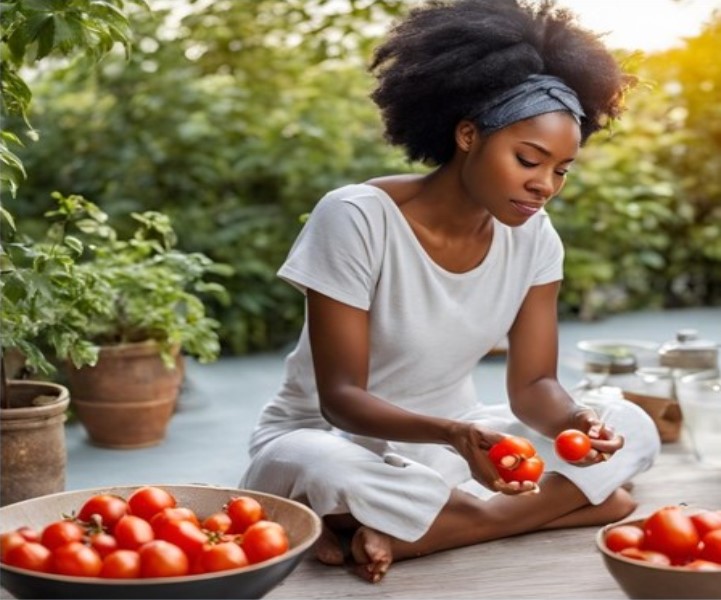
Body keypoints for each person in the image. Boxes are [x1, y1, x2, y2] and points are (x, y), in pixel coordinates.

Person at [240, 0, 660, 584]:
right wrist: (457, 437)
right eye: (529, 159)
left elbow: (535, 387)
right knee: (331, 470)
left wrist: (581, 421)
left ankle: (406, 530)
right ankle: (541, 510)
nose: (544, 186)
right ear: (468, 134)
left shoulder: (535, 239)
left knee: (632, 425)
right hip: (330, 438)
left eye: (562, 170)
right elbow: (339, 396)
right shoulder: (358, 217)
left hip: (457, 447)